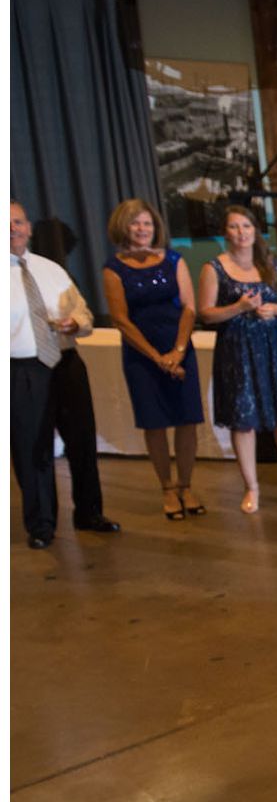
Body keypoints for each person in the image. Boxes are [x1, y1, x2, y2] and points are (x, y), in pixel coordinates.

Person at [10, 201, 117, 546]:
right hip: (22, 369)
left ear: (28, 227)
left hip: (67, 362)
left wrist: (77, 323)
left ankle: (89, 512)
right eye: (6, 223)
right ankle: (41, 526)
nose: (13, 229)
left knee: (82, 441)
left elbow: (82, 312)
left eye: (18, 222)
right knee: (32, 448)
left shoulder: (51, 268)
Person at [197, 204, 277, 513]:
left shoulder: (273, 265)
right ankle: (252, 487)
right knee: (243, 420)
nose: (241, 233)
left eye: (246, 226)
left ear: (255, 230)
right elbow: (205, 314)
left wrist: (274, 310)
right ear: (225, 233)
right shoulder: (214, 268)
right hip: (237, 350)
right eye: (234, 227)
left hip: (273, 348)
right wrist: (239, 308)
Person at [102, 197, 207, 521]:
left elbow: (189, 307)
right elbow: (121, 320)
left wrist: (177, 351)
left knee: (188, 420)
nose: (142, 229)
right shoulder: (113, 268)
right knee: (155, 423)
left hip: (179, 348)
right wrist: (156, 357)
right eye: (136, 223)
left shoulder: (173, 259)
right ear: (124, 227)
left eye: (147, 223)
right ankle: (166, 488)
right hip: (141, 356)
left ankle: (186, 485)